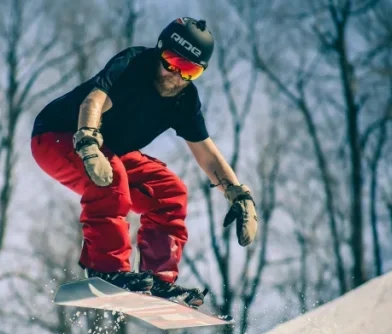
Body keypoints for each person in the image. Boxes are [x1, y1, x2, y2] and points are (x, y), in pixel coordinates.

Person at [30, 17, 258, 308]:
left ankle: (159, 279)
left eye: (189, 70)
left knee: (169, 191)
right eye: (172, 62)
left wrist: (238, 194)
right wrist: (88, 143)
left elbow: (206, 152)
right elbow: (93, 102)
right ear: (160, 51)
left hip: (111, 149)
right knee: (112, 177)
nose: (176, 76)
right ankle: (106, 269)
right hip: (58, 135)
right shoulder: (133, 66)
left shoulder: (184, 100)